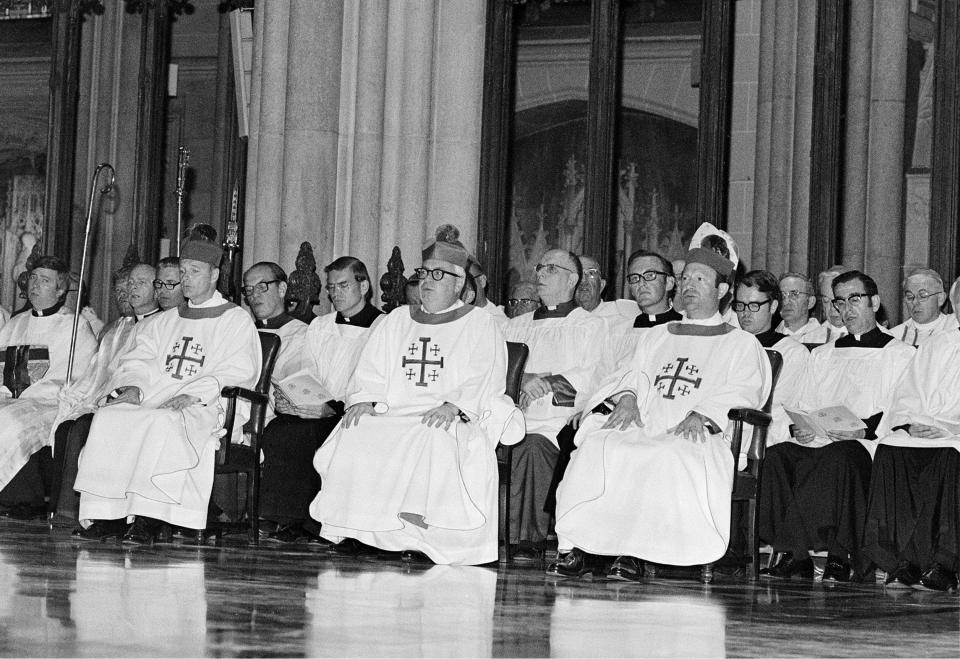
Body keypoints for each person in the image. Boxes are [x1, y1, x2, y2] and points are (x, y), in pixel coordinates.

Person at [550, 248, 771, 580]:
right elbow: (631, 373)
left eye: (700, 279)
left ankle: (635, 554)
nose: (689, 286)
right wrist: (626, 397)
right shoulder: (658, 336)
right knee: (599, 446)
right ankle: (579, 547)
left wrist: (705, 414)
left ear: (722, 290)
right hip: (647, 423)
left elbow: (744, 389)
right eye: (686, 279)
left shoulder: (740, 344)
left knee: (664, 453)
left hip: (698, 434)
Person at [308, 236, 521, 565]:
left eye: (438, 275)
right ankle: (360, 529)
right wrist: (366, 399)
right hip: (394, 413)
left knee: (432, 435)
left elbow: (485, 374)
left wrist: (455, 405)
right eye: (424, 273)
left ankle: (418, 535)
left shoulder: (479, 323)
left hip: (446, 415)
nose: (426, 282)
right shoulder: (397, 320)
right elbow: (371, 369)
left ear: (460, 283)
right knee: (356, 428)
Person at [73, 238, 261, 544]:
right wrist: (133, 387)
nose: (186, 279)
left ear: (214, 274)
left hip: (205, 405)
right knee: (110, 417)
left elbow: (239, 369)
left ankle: (151, 517)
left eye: (194, 271)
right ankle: (109, 515)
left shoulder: (235, 319)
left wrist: (195, 393)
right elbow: (139, 357)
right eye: (183, 271)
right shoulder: (165, 320)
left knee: (163, 422)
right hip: (155, 398)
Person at [758, 271, 915, 582]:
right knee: (777, 456)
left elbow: (903, 408)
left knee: (841, 456)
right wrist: (798, 428)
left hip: (866, 443)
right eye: (840, 302)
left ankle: (840, 556)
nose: (847, 309)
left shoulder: (900, 354)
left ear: (875, 302)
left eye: (854, 300)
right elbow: (802, 404)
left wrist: (864, 430)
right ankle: (796, 554)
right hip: (819, 438)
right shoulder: (823, 355)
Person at [259, 256, 382, 543]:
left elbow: (373, 376)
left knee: (314, 433)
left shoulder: (382, 326)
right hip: (315, 405)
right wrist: (296, 398)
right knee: (281, 429)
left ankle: (315, 524)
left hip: (353, 409)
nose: (335, 293)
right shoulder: (320, 325)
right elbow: (307, 369)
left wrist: (331, 408)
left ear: (363, 286)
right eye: (331, 287)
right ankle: (285, 518)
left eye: (343, 285)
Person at [504, 249, 606, 560]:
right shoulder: (514, 325)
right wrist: (521, 379)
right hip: (512, 414)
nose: (540, 274)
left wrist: (546, 383)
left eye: (551, 269)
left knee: (532, 444)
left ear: (572, 279)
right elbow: (496, 367)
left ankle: (524, 538)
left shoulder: (590, 326)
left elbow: (592, 376)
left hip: (558, 420)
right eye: (539, 267)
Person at [862, 279, 960, 591]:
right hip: (926, 429)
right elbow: (907, 394)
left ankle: (945, 562)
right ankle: (903, 562)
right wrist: (910, 423)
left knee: (948, 455)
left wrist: (948, 427)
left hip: (953, 436)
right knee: (892, 448)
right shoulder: (938, 345)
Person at [48, 263, 162, 522]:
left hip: (136, 402)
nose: (126, 293)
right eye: (122, 288)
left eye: (135, 285)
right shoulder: (114, 328)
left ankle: (98, 512)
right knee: (67, 425)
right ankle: (65, 510)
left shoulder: (159, 324)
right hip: (102, 398)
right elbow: (97, 371)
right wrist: (78, 397)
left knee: (83, 428)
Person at [0, 256, 99, 512]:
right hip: (10, 399)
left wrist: (26, 395)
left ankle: (20, 499)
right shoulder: (14, 324)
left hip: (47, 402)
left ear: (60, 290)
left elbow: (78, 377)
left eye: (45, 280)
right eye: (33, 278)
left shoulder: (75, 327)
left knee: (9, 421)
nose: (35, 284)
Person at [733, 270, 809, 445]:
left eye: (754, 305)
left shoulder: (791, 352)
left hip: (760, 436)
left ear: (773, 306)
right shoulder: (729, 345)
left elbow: (782, 410)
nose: (745, 313)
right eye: (740, 305)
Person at [887, 268, 957, 347]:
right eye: (909, 297)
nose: (915, 302)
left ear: (940, 298)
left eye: (923, 296)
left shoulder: (954, 326)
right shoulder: (893, 336)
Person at [805, 264, 852, 344]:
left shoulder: (869, 337)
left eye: (837, 301)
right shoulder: (810, 338)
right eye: (826, 301)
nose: (832, 308)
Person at [775, 273, 820, 341]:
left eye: (794, 294)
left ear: (811, 302)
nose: (786, 302)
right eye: (782, 295)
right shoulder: (768, 339)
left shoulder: (826, 338)